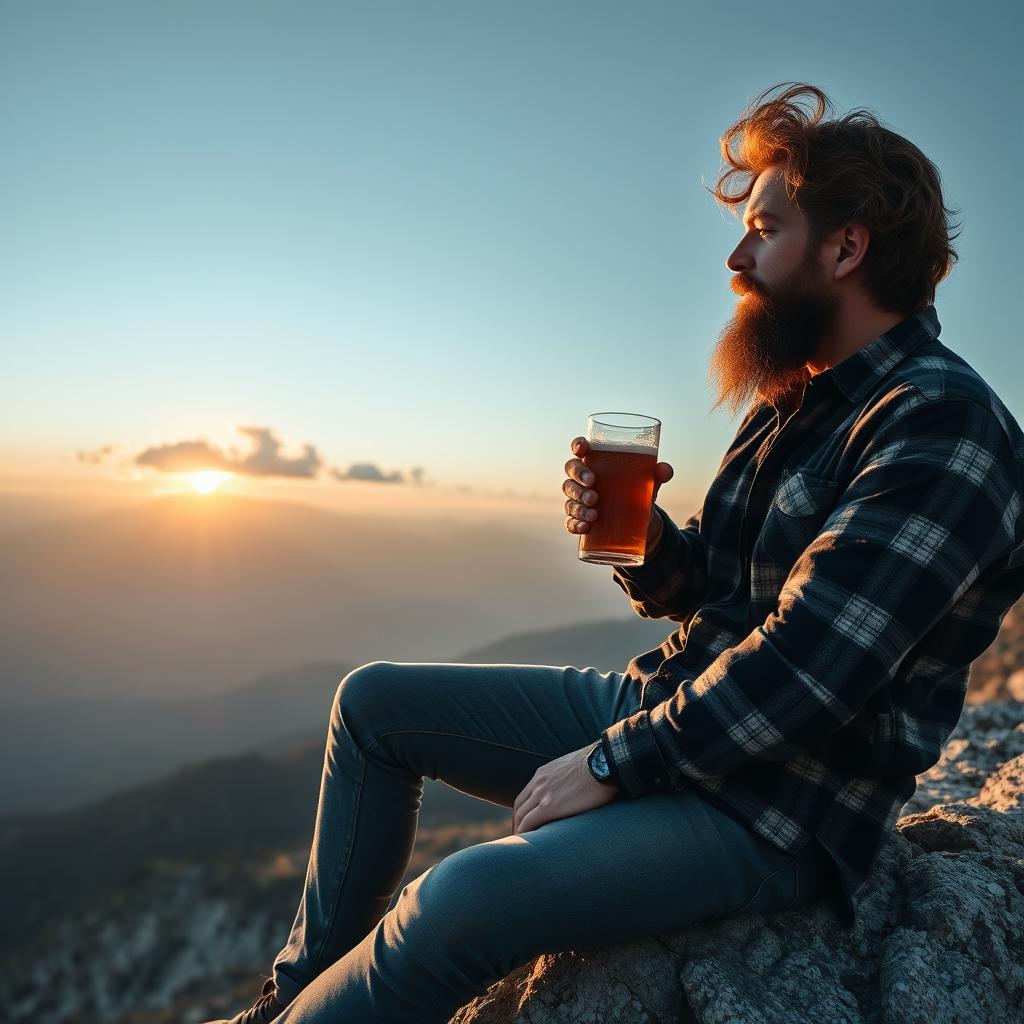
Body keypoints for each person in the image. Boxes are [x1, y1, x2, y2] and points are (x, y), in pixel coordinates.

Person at [203, 81, 1024, 1024]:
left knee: (457, 901)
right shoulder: (801, 398)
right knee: (373, 703)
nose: (736, 257)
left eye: (765, 229)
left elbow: (810, 670)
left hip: (773, 809)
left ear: (846, 248)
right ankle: (293, 1000)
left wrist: (608, 763)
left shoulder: (944, 430)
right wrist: (643, 543)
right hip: (678, 712)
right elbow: (725, 591)